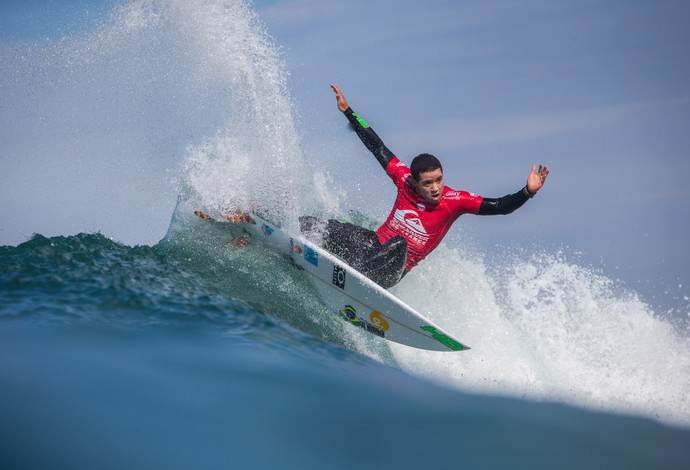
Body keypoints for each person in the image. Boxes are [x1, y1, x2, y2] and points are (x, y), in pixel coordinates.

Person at [299, 84, 549, 289]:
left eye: (438, 179)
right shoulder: (403, 179)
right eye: (427, 183)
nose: (435, 187)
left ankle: (350, 277)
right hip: (372, 247)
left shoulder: (455, 201)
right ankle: (270, 222)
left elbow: (500, 207)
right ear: (415, 183)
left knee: (399, 245)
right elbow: (377, 146)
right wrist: (348, 111)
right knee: (323, 226)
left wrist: (528, 191)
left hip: (392, 268)